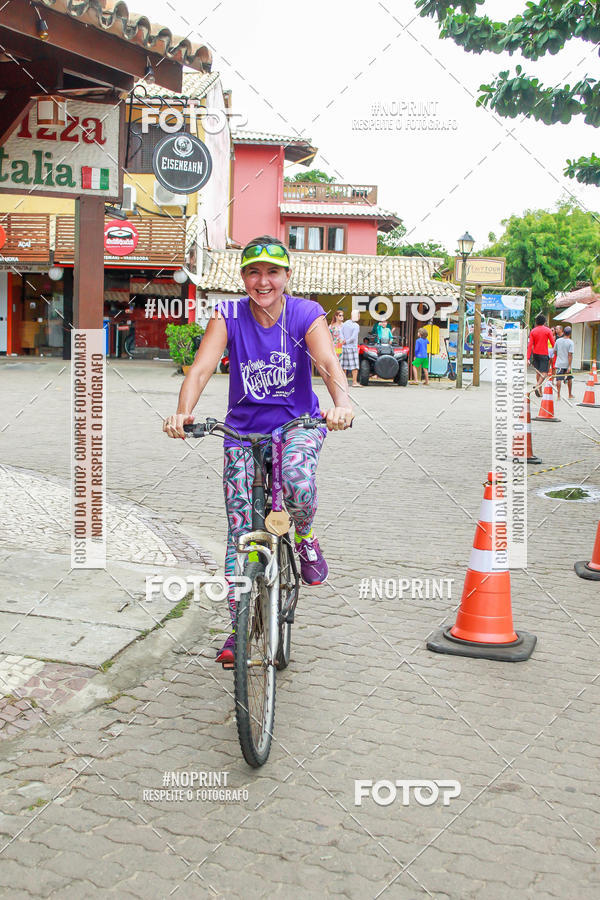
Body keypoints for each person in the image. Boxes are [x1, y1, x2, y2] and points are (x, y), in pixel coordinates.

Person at [163, 236, 354, 667]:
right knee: (239, 536)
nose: (262, 281)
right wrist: (182, 413)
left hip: (298, 426)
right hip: (241, 434)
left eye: (272, 272)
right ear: (243, 277)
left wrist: (340, 404)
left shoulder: (307, 313)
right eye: (253, 271)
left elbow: (326, 362)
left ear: (287, 276)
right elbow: (201, 367)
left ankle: (304, 536)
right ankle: (239, 627)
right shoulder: (227, 314)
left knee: (298, 483)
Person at [527, 313, 555, 397]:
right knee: (545, 373)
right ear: (544, 322)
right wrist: (556, 352)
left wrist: (528, 358)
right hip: (544, 354)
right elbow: (553, 343)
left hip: (535, 354)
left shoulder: (533, 331)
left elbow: (530, 345)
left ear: (536, 322)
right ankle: (537, 386)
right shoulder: (548, 330)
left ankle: (540, 391)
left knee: (538, 372)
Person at [340, 309, 361, 387]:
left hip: (344, 347)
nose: (359, 316)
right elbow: (353, 337)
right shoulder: (356, 325)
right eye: (358, 315)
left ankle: (344, 382)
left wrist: (343, 341)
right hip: (352, 347)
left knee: (343, 366)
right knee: (354, 366)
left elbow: (341, 333)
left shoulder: (344, 324)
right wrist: (347, 341)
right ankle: (354, 382)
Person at [554, 324, 574, 400]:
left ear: (564, 332)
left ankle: (558, 395)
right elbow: (570, 355)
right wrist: (569, 366)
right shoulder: (570, 342)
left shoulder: (558, 341)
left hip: (559, 363)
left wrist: (559, 356)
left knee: (558, 379)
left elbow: (555, 351)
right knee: (569, 378)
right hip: (567, 363)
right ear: (570, 333)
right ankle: (570, 394)